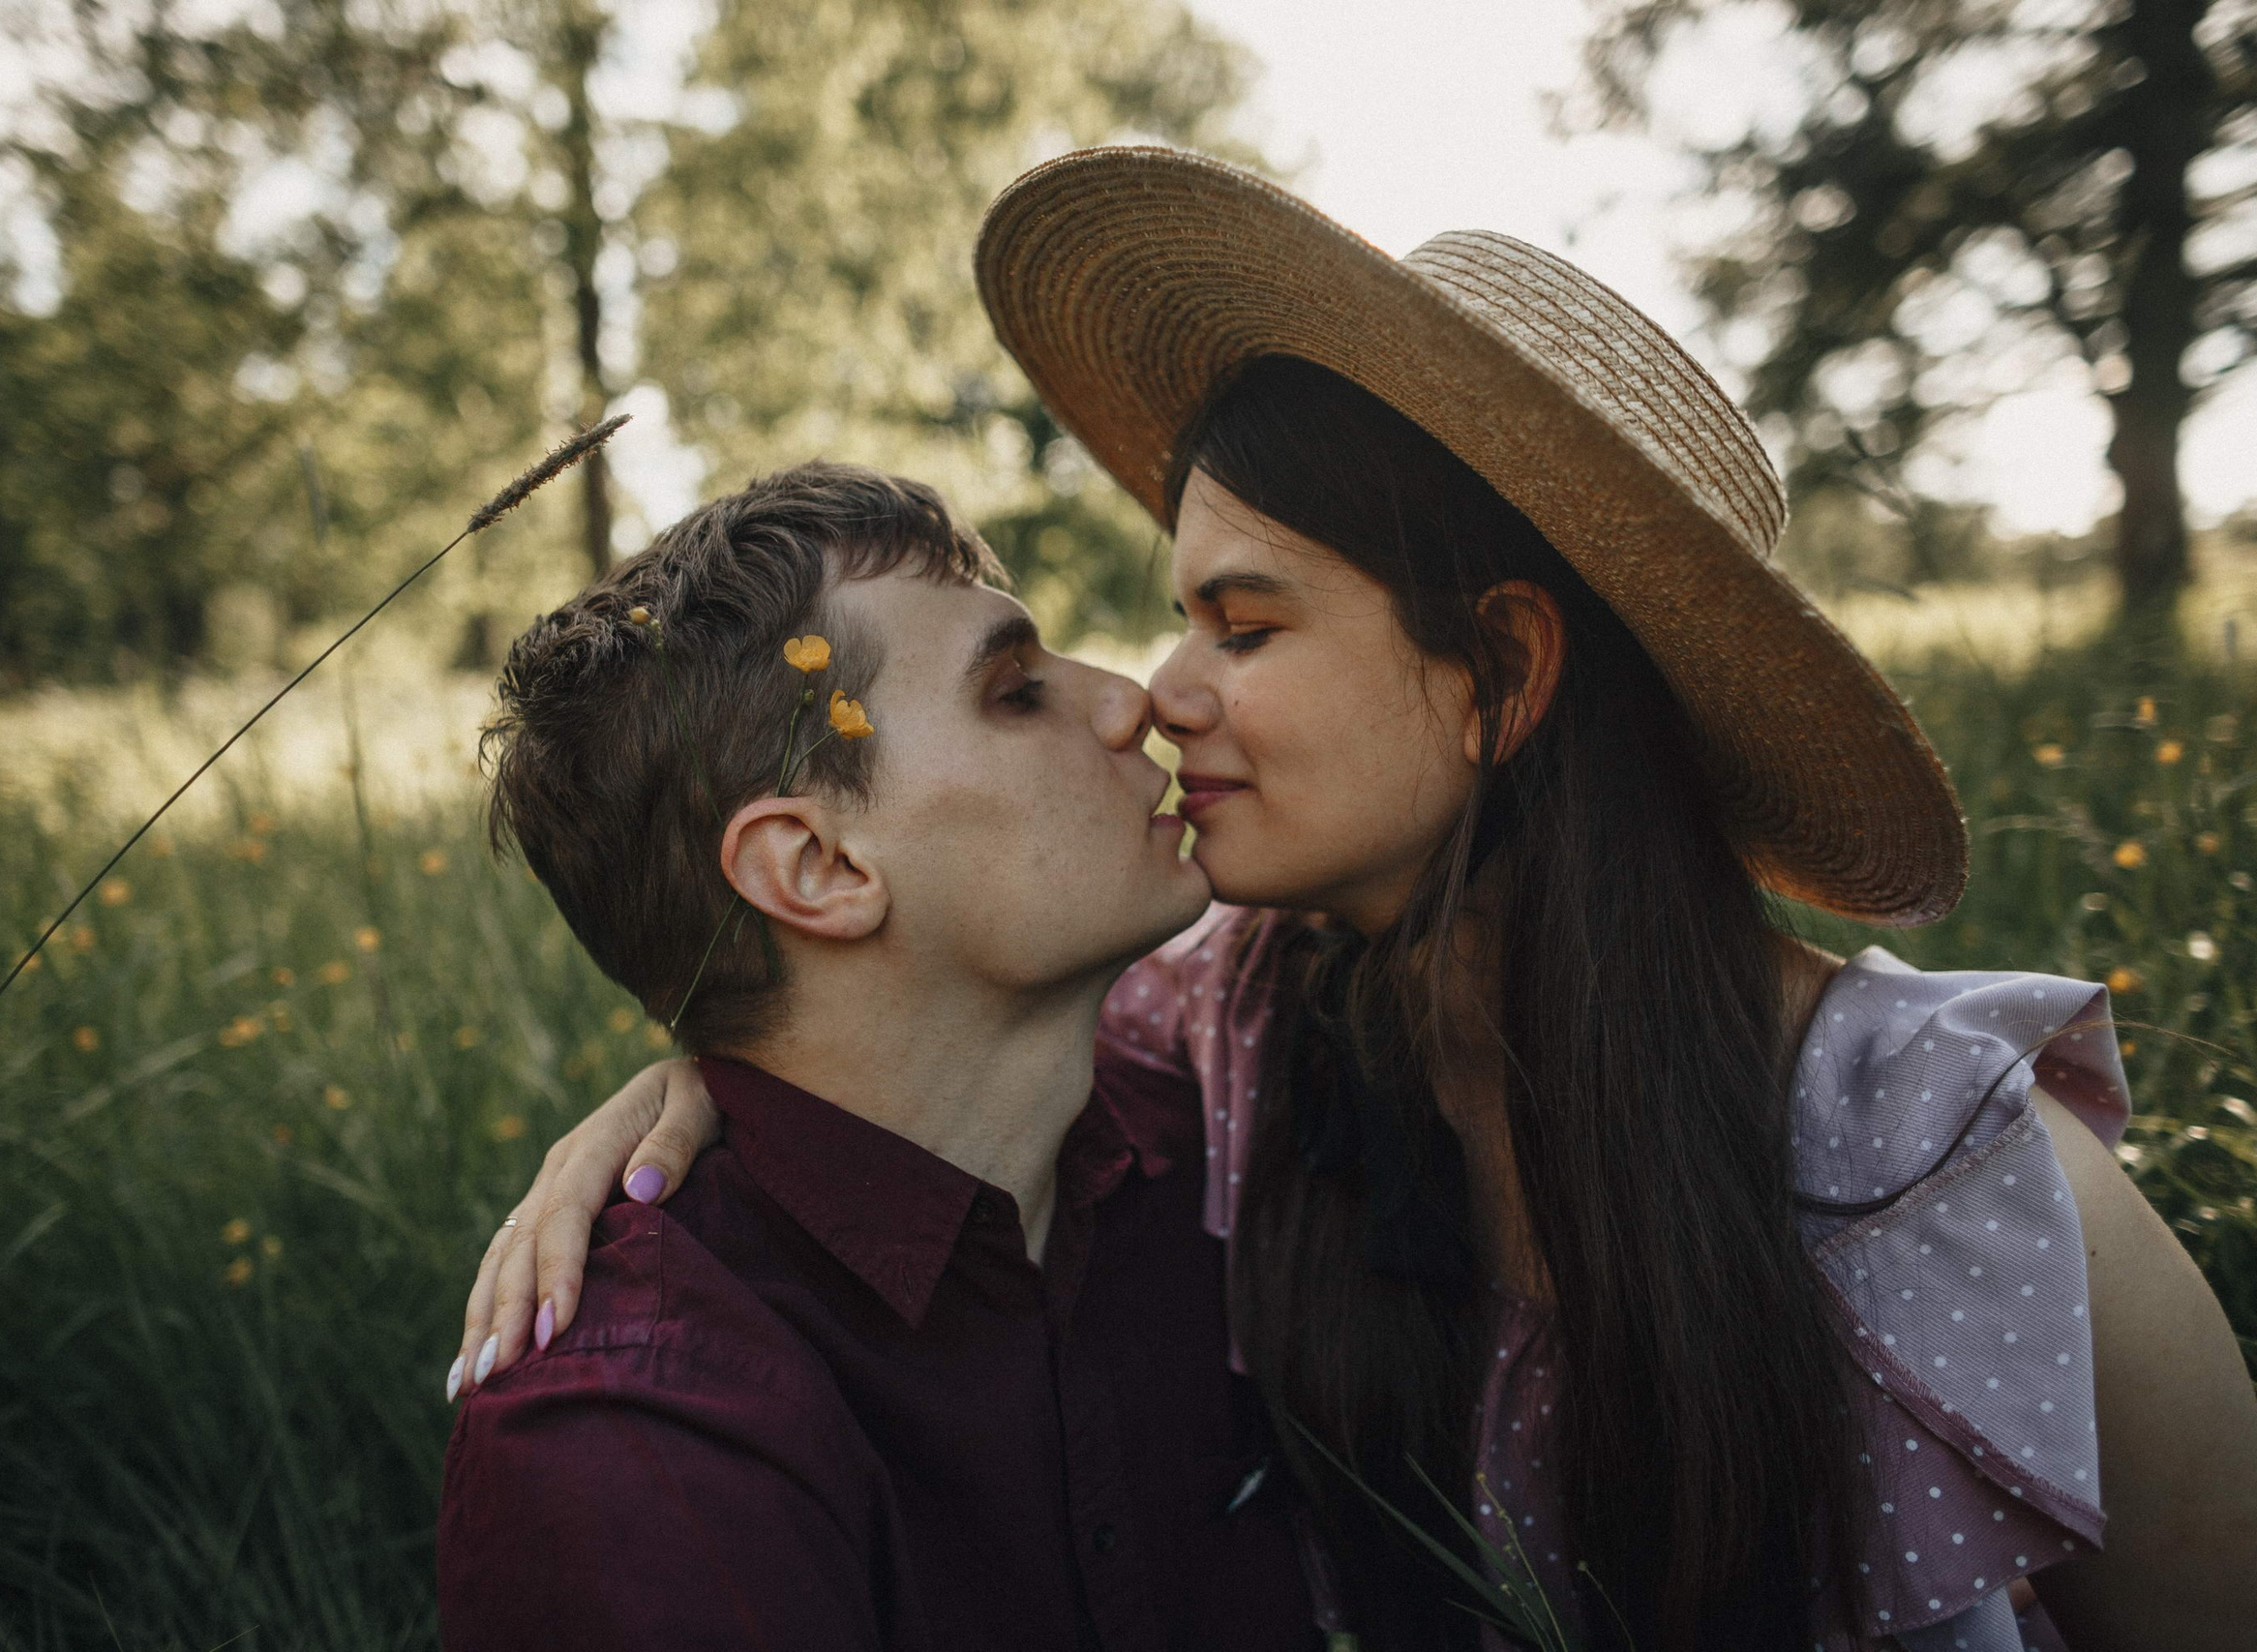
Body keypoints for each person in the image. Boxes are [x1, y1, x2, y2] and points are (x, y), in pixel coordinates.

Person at [453, 153, 2257, 1650]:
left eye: (1242, 626)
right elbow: (866, 1066)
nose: (1154, 691)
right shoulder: (1244, 1045)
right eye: (1171, 622)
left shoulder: (1937, 1173)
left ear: (1498, 675)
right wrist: (696, 1081)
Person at [437, 460, 1320, 1652]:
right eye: (1013, 692)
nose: (1129, 703)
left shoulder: (1210, 1141)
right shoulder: (645, 1440)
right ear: (819, 869)